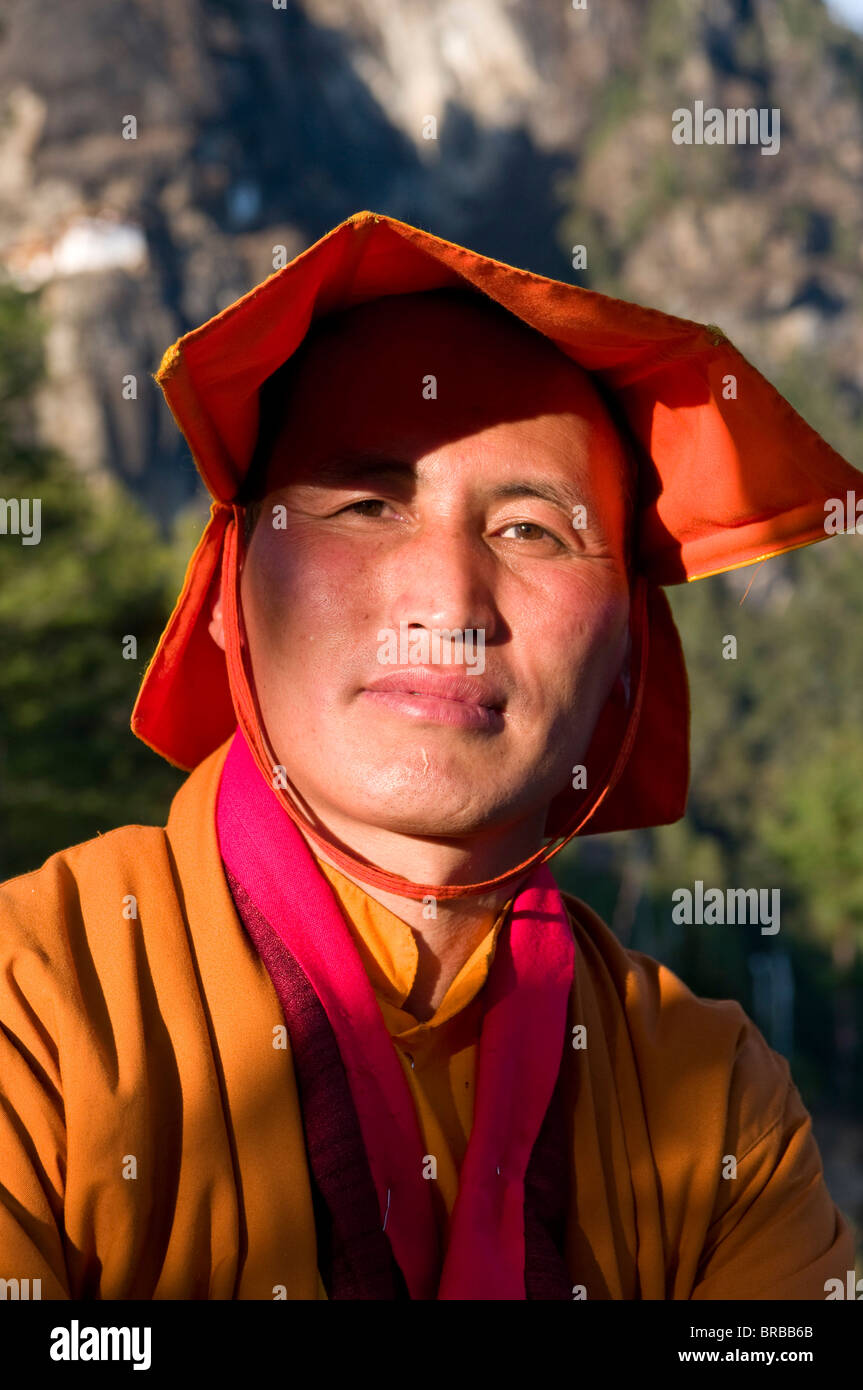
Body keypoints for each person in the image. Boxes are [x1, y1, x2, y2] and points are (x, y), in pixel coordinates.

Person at [0, 211, 858, 1301]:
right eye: (366, 505)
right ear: (226, 595)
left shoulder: (712, 1100)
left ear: (626, 669)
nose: (448, 604)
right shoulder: (37, 1007)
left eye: (530, 531)